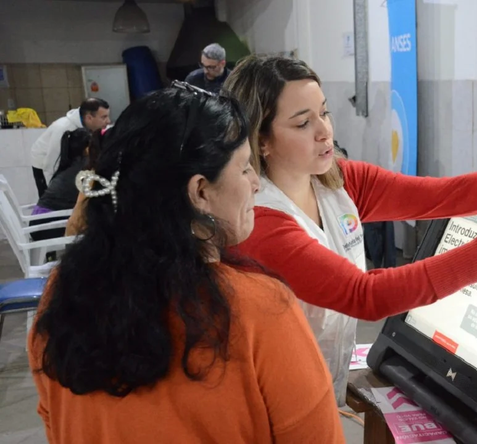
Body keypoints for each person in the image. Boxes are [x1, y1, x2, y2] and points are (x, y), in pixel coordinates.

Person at [223, 56, 477, 405]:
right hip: (265, 403)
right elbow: (366, 296)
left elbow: (442, 195)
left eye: (324, 113)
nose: (324, 131)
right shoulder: (260, 220)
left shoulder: (337, 181)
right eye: (302, 123)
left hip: (318, 389)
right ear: (262, 141)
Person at [28, 84, 344, 443]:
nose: (256, 183)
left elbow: (56, 423)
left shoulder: (63, 295)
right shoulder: (259, 311)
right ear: (200, 192)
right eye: (244, 169)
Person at [29, 98, 110, 196]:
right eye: (104, 117)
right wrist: (53, 190)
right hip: (43, 162)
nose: (108, 121)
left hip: (67, 161)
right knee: (52, 197)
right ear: (89, 118)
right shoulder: (63, 128)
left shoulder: (89, 125)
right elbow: (50, 163)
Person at [29, 128, 91, 241]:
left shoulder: (70, 165)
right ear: (86, 149)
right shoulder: (82, 169)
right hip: (45, 226)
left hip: (38, 223)